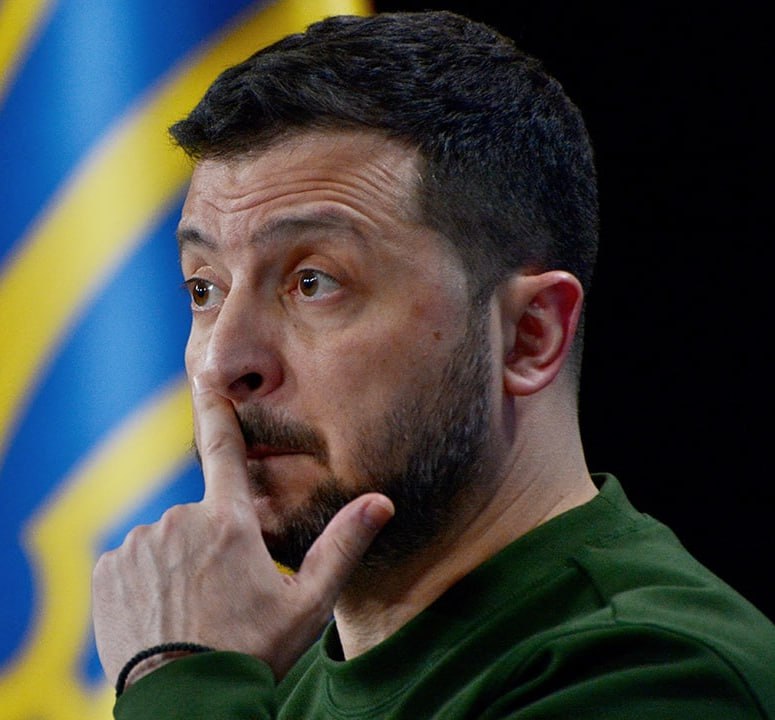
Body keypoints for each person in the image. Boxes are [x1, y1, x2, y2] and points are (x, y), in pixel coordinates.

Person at [91, 10, 775, 718]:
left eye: (313, 281)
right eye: (204, 289)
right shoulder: (272, 689)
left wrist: (177, 678)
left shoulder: (660, 676)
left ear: (529, 336)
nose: (221, 362)